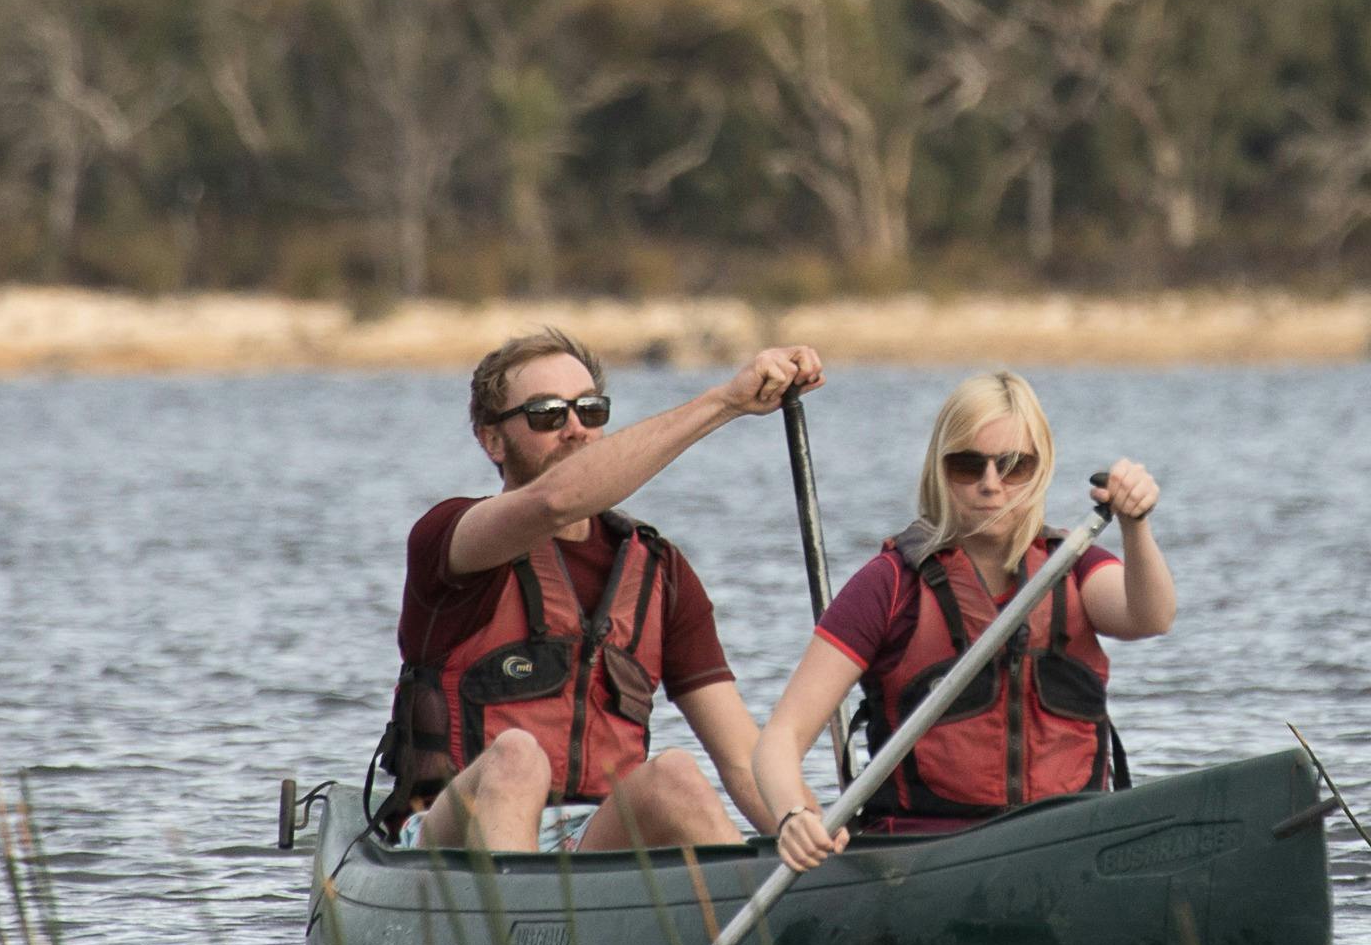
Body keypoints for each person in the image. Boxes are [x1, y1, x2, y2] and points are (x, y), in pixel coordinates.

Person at [380, 326, 820, 852]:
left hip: (592, 840)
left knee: (676, 776)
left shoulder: (660, 572)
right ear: (492, 438)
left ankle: (763, 921)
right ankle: (518, 924)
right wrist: (726, 401)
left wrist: (811, 830)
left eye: (590, 411)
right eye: (547, 414)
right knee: (517, 757)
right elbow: (555, 501)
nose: (575, 429)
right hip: (449, 837)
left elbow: (740, 756)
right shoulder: (452, 538)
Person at [758, 367, 1173, 869]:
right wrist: (795, 814)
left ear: (1040, 469)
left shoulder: (1075, 568)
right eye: (967, 465)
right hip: (927, 859)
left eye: (1014, 465)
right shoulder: (889, 586)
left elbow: (1150, 616)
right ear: (940, 469)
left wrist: (1135, 526)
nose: (990, 484)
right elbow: (779, 740)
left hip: (1067, 846)